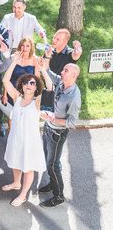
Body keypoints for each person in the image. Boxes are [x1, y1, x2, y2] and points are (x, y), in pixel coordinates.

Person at [1, 53, 49, 206]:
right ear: (22, 85)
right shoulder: (17, 97)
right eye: (26, 82)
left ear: (36, 87)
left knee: (28, 167)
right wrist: (14, 62)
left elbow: (49, 86)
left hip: (30, 141)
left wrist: (40, 70)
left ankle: (23, 195)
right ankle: (16, 183)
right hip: (16, 137)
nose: (29, 84)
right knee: (15, 161)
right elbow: (5, 80)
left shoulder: (37, 100)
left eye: (32, 83)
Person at [38, 61, 81, 207]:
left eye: (66, 70)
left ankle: (59, 196)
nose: (62, 72)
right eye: (63, 69)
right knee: (48, 159)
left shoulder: (74, 97)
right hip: (48, 128)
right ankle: (52, 183)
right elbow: (53, 76)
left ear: (74, 75)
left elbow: (72, 122)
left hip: (57, 134)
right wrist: (44, 68)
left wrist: (51, 118)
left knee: (52, 165)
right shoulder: (62, 82)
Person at [41, 29, 82, 109]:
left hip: (61, 91)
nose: (54, 41)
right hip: (48, 88)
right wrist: (46, 57)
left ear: (65, 42)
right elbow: (44, 69)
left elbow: (76, 55)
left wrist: (78, 50)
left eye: (58, 39)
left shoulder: (69, 53)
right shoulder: (50, 51)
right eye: (54, 38)